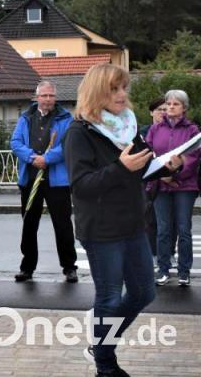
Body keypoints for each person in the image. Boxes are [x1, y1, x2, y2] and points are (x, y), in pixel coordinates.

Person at [64, 63, 181, 377]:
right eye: (114, 88)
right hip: (101, 228)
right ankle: (105, 365)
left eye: (124, 88)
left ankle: (100, 347)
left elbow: (141, 167)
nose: (121, 94)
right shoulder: (79, 131)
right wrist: (121, 167)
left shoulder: (127, 125)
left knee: (144, 292)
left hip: (132, 222)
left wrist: (168, 167)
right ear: (97, 91)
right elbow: (82, 185)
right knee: (110, 297)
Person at [11, 81, 78, 283]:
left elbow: (68, 144)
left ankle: (69, 267)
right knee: (29, 224)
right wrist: (32, 158)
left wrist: (47, 159)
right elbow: (15, 143)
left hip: (57, 181)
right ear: (37, 97)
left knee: (63, 224)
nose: (48, 99)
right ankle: (27, 267)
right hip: (30, 179)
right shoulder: (26, 118)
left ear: (55, 97)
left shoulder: (66, 118)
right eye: (44, 96)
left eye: (51, 96)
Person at [146, 89, 200, 286]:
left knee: (184, 229)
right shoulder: (155, 129)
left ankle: (184, 271)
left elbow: (193, 158)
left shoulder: (193, 131)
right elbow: (149, 154)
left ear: (184, 108)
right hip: (161, 185)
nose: (170, 107)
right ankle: (163, 269)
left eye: (175, 104)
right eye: (168, 104)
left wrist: (175, 174)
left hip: (185, 186)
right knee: (163, 229)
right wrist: (163, 175)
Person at [141, 97, 168, 257]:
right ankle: (152, 254)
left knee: (168, 221)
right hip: (149, 180)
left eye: (165, 109)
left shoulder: (172, 132)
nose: (163, 113)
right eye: (159, 109)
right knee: (150, 220)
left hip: (168, 180)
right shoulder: (143, 133)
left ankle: (167, 252)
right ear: (151, 112)